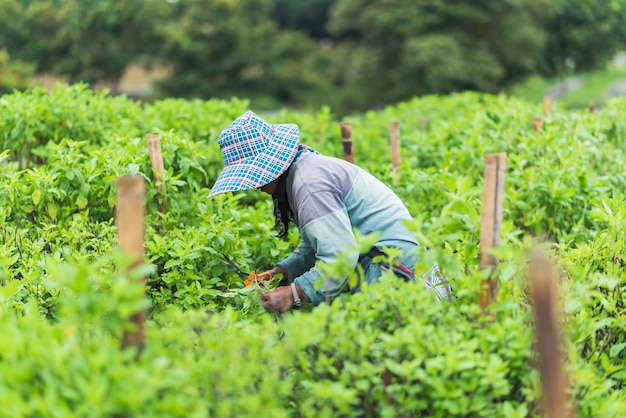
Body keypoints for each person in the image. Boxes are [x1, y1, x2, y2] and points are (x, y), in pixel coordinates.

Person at [209, 111, 450, 313]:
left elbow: (339, 255)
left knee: (392, 352)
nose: (256, 186)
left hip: (393, 265)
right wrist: (283, 270)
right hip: (394, 258)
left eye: (253, 177)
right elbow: (321, 242)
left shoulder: (308, 184)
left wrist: (293, 293)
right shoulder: (304, 171)